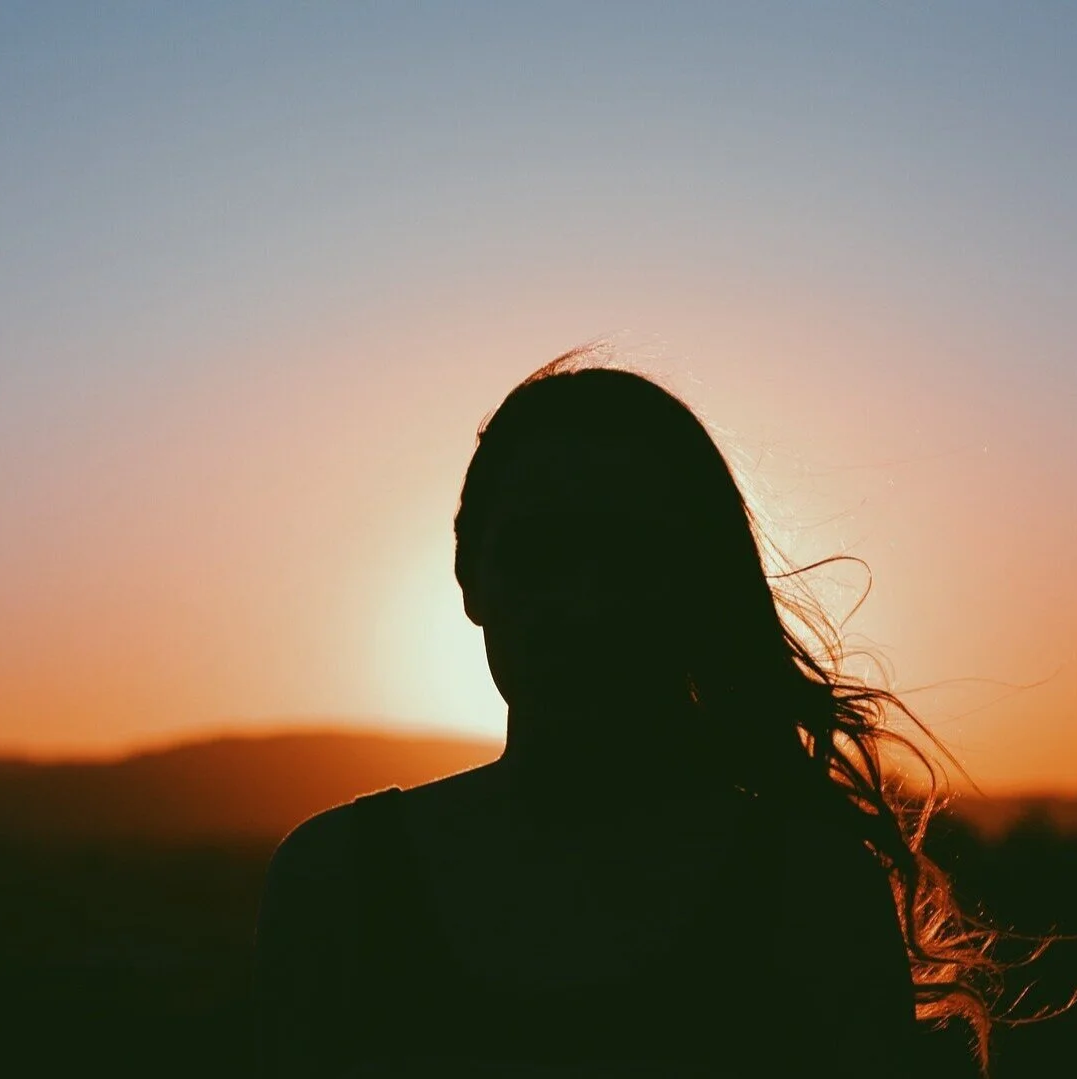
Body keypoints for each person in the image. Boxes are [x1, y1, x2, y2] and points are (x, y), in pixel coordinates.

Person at [252, 351, 1000, 1076]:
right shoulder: (336, 884)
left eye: (632, 558)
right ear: (466, 576)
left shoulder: (812, 898)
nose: (585, 608)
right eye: (539, 555)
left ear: (698, 586)